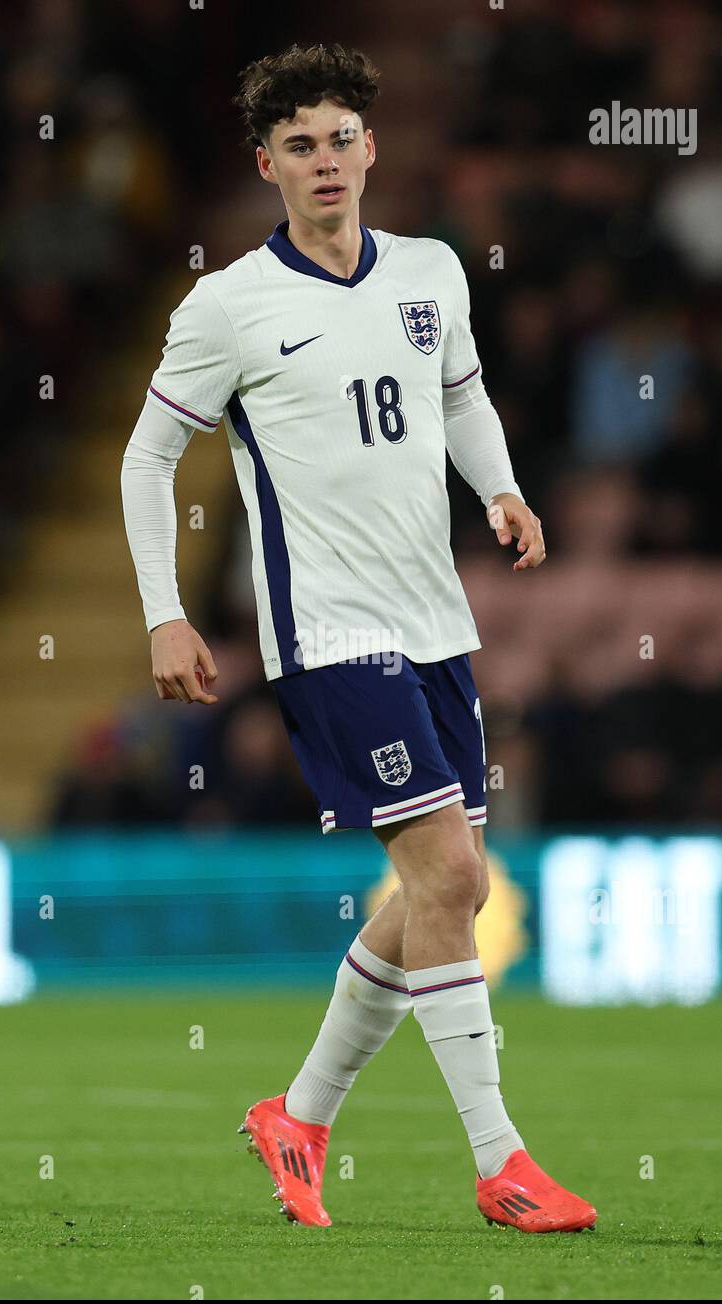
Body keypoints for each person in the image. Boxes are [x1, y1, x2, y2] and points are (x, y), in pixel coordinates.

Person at [121, 41, 595, 1234]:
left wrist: (501, 487)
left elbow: (456, 392)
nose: (325, 161)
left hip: (436, 619)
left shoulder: (430, 270)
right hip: (329, 634)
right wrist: (163, 611)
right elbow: (147, 455)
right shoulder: (228, 304)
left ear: (371, 148)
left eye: (341, 138)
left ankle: (299, 1114)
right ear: (266, 163)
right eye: (299, 145)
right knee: (449, 878)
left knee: (431, 890)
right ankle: (502, 1162)